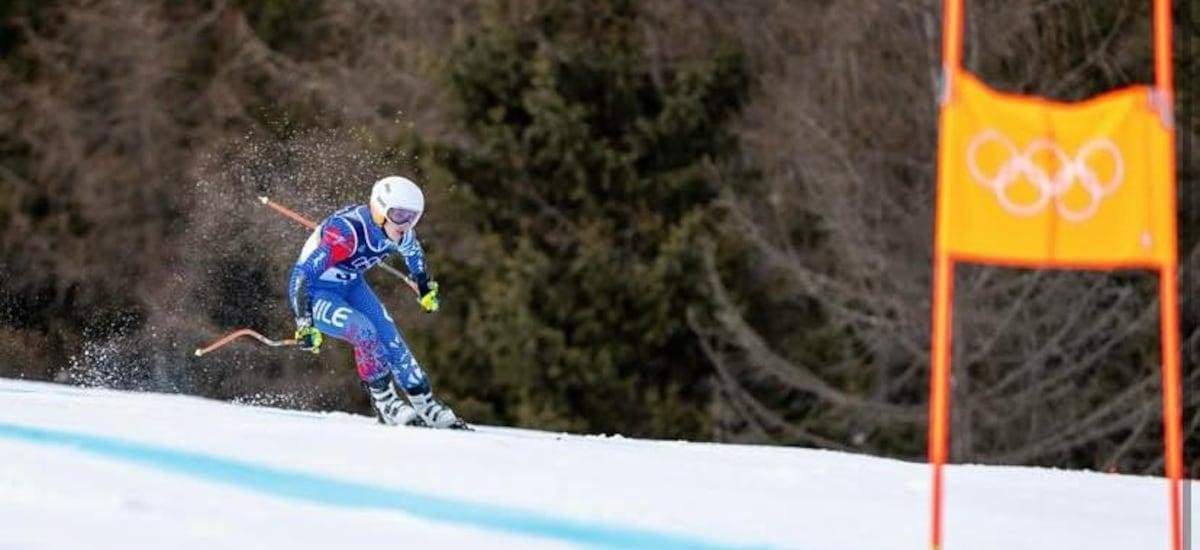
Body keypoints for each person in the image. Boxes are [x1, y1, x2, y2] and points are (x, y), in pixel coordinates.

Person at [287, 176, 464, 429]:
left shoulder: (400, 233)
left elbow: (414, 255)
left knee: (390, 337)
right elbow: (302, 276)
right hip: (317, 293)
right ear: (380, 210)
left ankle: (425, 403)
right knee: (364, 332)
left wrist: (425, 287)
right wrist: (304, 322)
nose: (406, 224)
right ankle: (386, 402)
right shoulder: (346, 234)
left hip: (351, 285)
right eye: (399, 215)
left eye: (413, 217)